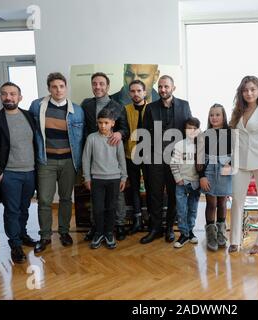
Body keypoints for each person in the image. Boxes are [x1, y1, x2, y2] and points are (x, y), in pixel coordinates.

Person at [0, 82, 38, 263]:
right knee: (12, 211)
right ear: (1, 97)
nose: (9, 97)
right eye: (5, 94)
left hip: (30, 172)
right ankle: (15, 245)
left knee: (24, 208)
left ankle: (22, 235)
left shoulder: (30, 116)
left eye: (13, 94)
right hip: (9, 174)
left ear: (20, 97)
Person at [29, 72, 85, 254]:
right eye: (54, 87)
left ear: (66, 87)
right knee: (44, 200)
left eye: (61, 86)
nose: (58, 90)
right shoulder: (37, 106)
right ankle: (45, 236)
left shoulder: (77, 110)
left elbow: (80, 139)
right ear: (49, 88)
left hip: (69, 161)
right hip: (46, 161)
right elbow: (31, 133)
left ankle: (64, 232)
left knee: (66, 198)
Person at [140, 75, 192, 244]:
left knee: (173, 196)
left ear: (173, 88)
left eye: (166, 87)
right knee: (154, 195)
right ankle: (155, 228)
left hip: (176, 161)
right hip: (154, 160)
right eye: (160, 86)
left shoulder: (184, 106)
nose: (163, 89)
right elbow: (144, 135)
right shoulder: (150, 108)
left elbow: (189, 134)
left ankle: (169, 228)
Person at [228, 76, 258, 254]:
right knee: (237, 200)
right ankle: (234, 240)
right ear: (241, 92)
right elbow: (234, 140)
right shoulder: (237, 111)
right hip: (240, 161)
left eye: (252, 89)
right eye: (245, 90)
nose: (249, 93)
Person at [81, 72, 129, 241]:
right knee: (97, 200)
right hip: (93, 152)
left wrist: (119, 134)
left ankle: (119, 224)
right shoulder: (86, 104)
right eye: (95, 83)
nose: (98, 87)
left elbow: (125, 129)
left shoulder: (118, 106)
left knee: (116, 198)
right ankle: (97, 227)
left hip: (111, 153)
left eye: (101, 84)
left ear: (108, 87)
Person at [197, 104, 232, 251]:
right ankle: (211, 234)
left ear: (223, 117)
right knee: (211, 203)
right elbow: (199, 159)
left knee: (222, 203)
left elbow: (236, 153)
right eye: (212, 115)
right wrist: (202, 176)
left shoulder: (230, 134)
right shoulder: (204, 135)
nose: (214, 117)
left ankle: (221, 232)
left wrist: (231, 164)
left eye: (218, 114)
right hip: (209, 171)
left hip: (224, 170)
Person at [170, 117, 201, 248]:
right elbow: (173, 164)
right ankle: (183, 234)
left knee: (193, 209)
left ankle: (190, 231)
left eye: (194, 128)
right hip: (182, 183)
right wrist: (178, 178)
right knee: (182, 209)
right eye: (189, 128)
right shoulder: (179, 145)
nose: (192, 131)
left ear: (198, 130)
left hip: (195, 183)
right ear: (185, 130)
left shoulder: (201, 145)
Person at [124, 80, 149, 234]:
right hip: (130, 154)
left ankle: (152, 220)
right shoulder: (125, 109)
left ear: (144, 92)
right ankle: (137, 220)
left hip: (148, 156)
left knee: (151, 187)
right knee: (133, 188)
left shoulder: (152, 108)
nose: (136, 94)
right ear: (129, 94)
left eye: (139, 91)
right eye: (132, 91)